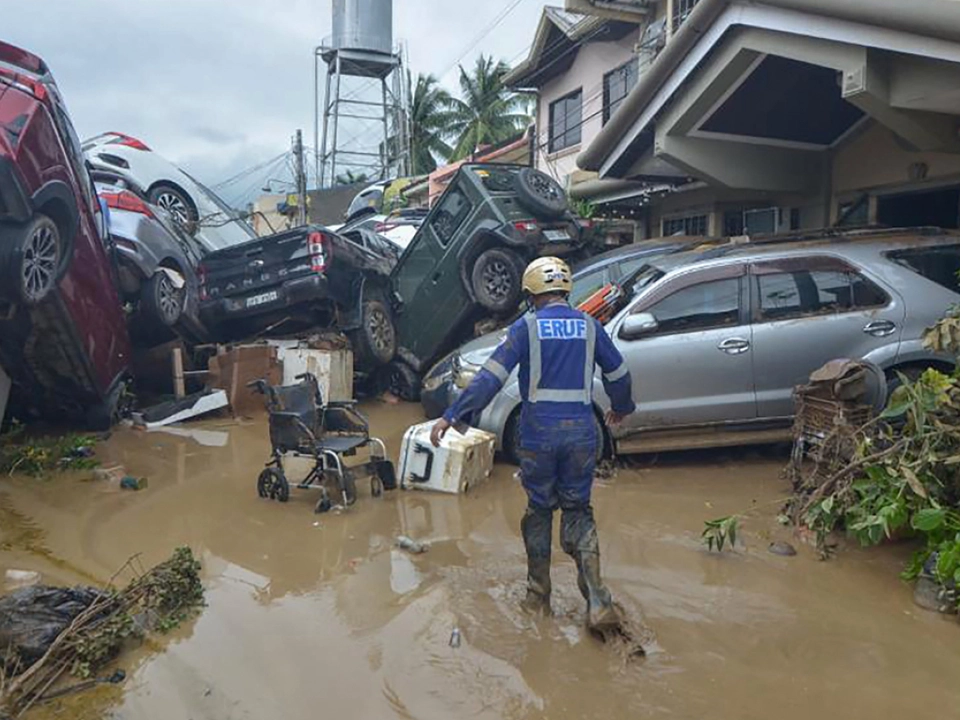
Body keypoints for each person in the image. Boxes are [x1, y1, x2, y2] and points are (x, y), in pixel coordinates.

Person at [430, 257, 636, 631]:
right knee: (579, 511)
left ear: (531, 294)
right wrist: (621, 408)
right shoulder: (590, 326)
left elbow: (490, 377)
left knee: (539, 510)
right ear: (565, 290)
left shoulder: (526, 328)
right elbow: (619, 374)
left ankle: (538, 598)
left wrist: (454, 415)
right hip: (582, 433)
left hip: (539, 435)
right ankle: (598, 602)